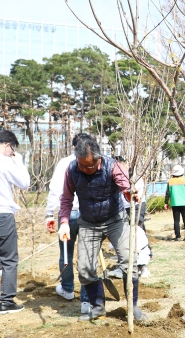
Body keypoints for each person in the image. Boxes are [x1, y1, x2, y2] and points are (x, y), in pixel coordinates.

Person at [58, 135, 145, 322]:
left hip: (115, 220)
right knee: (85, 268)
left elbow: (126, 188)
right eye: (81, 165)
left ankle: (134, 306)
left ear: (98, 159)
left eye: (89, 166)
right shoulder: (72, 169)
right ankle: (97, 307)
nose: (85, 170)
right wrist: (64, 221)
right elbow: (66, 198)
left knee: (129, 262)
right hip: (88, 222)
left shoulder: (112, 166)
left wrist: (131, 194)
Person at [45, 133, 90, 314]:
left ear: (73, 146)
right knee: (88, 255)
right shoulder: (92, 161)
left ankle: (68, 288)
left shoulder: (64, 163)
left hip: (68, 214)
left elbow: (55, 190)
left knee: (66, 252)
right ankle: (86, 299)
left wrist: (49, 213)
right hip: (86, 215)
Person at [0, 130, 30, 314]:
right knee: (9, 259)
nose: (12, 152)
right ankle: (7, 301)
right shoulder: (5, 161)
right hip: (2, 213)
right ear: (8, 145)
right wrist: (18, 161)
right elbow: (25, 182)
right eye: (12, 149)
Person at [164, 164, 185, 241]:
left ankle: (178, 236)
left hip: (175, 203)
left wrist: (166, 203)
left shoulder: (170, 181)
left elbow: (167, 193)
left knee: (176, 220)